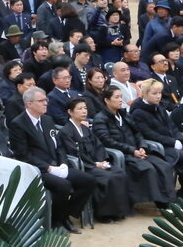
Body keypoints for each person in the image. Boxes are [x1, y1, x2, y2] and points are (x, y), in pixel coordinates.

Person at [9, 87, 95, 233]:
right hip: (36, 169)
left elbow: (58, 145)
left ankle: (65, 215)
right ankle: (57, 221)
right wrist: (47, 168)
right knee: (63, 186)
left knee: (88, 181)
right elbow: (23, 154)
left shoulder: (47, 120)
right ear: (29, 104)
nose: (46, 103)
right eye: (41, 101)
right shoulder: (18, 124)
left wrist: (63, 163)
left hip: (56, 165)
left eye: (46, 100)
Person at [58, 97, 130, 222]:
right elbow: (74, 153)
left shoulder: (85, 128)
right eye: (80, 109)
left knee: (120, 173)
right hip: (84, 166)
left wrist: (102, 161)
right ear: (70, 112)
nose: (84, 111)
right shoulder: (66, 131)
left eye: (85, 108)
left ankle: (118, 212)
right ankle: (103, 214)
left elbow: (98, 146)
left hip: (97, 162)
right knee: (107, 178)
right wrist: (95, 164)